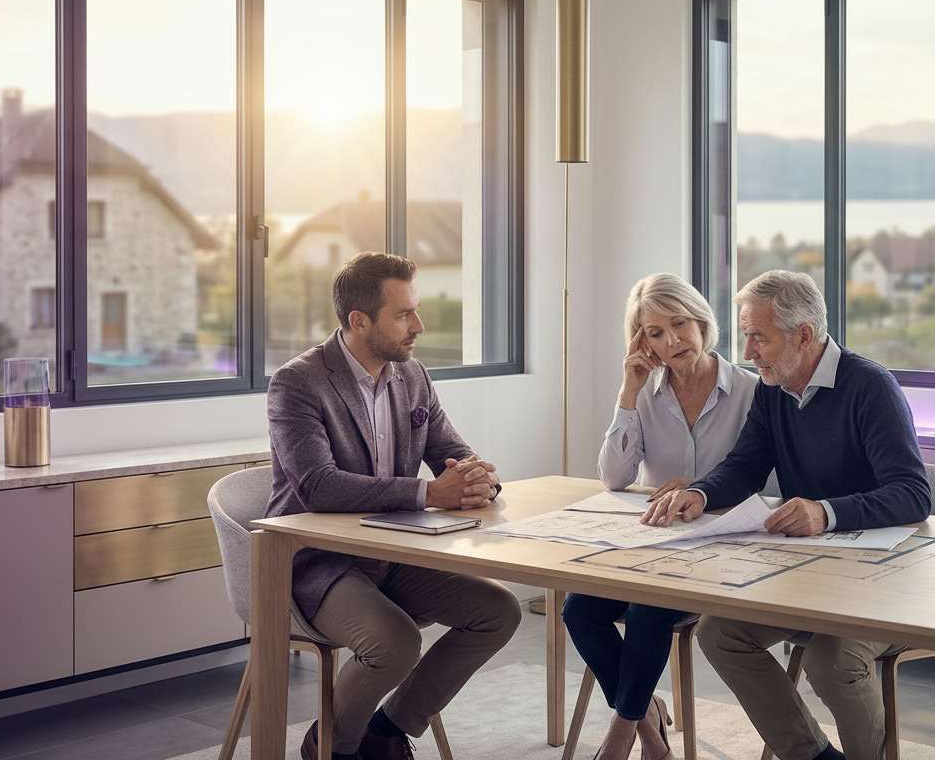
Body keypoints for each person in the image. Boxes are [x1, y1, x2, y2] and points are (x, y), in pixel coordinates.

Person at [642, 269, 931, 760]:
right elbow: (745, 465)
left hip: (883, 581)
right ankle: (813, 756)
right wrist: (701, 493)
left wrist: (826, 512)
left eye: (759, 336)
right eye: (746, 334)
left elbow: (913, 494)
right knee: (720, 633)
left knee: (830, 660)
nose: (748, 351)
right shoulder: (772, 390)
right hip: (808, 574)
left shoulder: (870, 386)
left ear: (803, 335)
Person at [266, 252, 521, 760]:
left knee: (498, 611)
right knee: (396, 642)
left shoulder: (412, 377)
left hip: (392, 552)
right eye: (404, 315)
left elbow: (452, 451)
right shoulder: (298, 382)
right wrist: (429, 493)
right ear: (359, 321)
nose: (419, 326)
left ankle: (387, 727)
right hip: (318, 562)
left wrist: (477, 479)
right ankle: (332, 746)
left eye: (416, 311)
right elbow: (319, 486)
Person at [564, 273, 761, 760]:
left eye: (679, 324)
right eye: (654, 332)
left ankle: (620, 736)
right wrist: (629, 391)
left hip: (725, 549)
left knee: (650, 603)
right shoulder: (647, 393)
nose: (671, 340)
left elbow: (769, 481)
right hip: (654, 544)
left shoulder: (752, 392)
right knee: (578, 608)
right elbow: (613, 477)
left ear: (702, 322)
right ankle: (648, 724)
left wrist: (703, 491)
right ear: (642, 342)